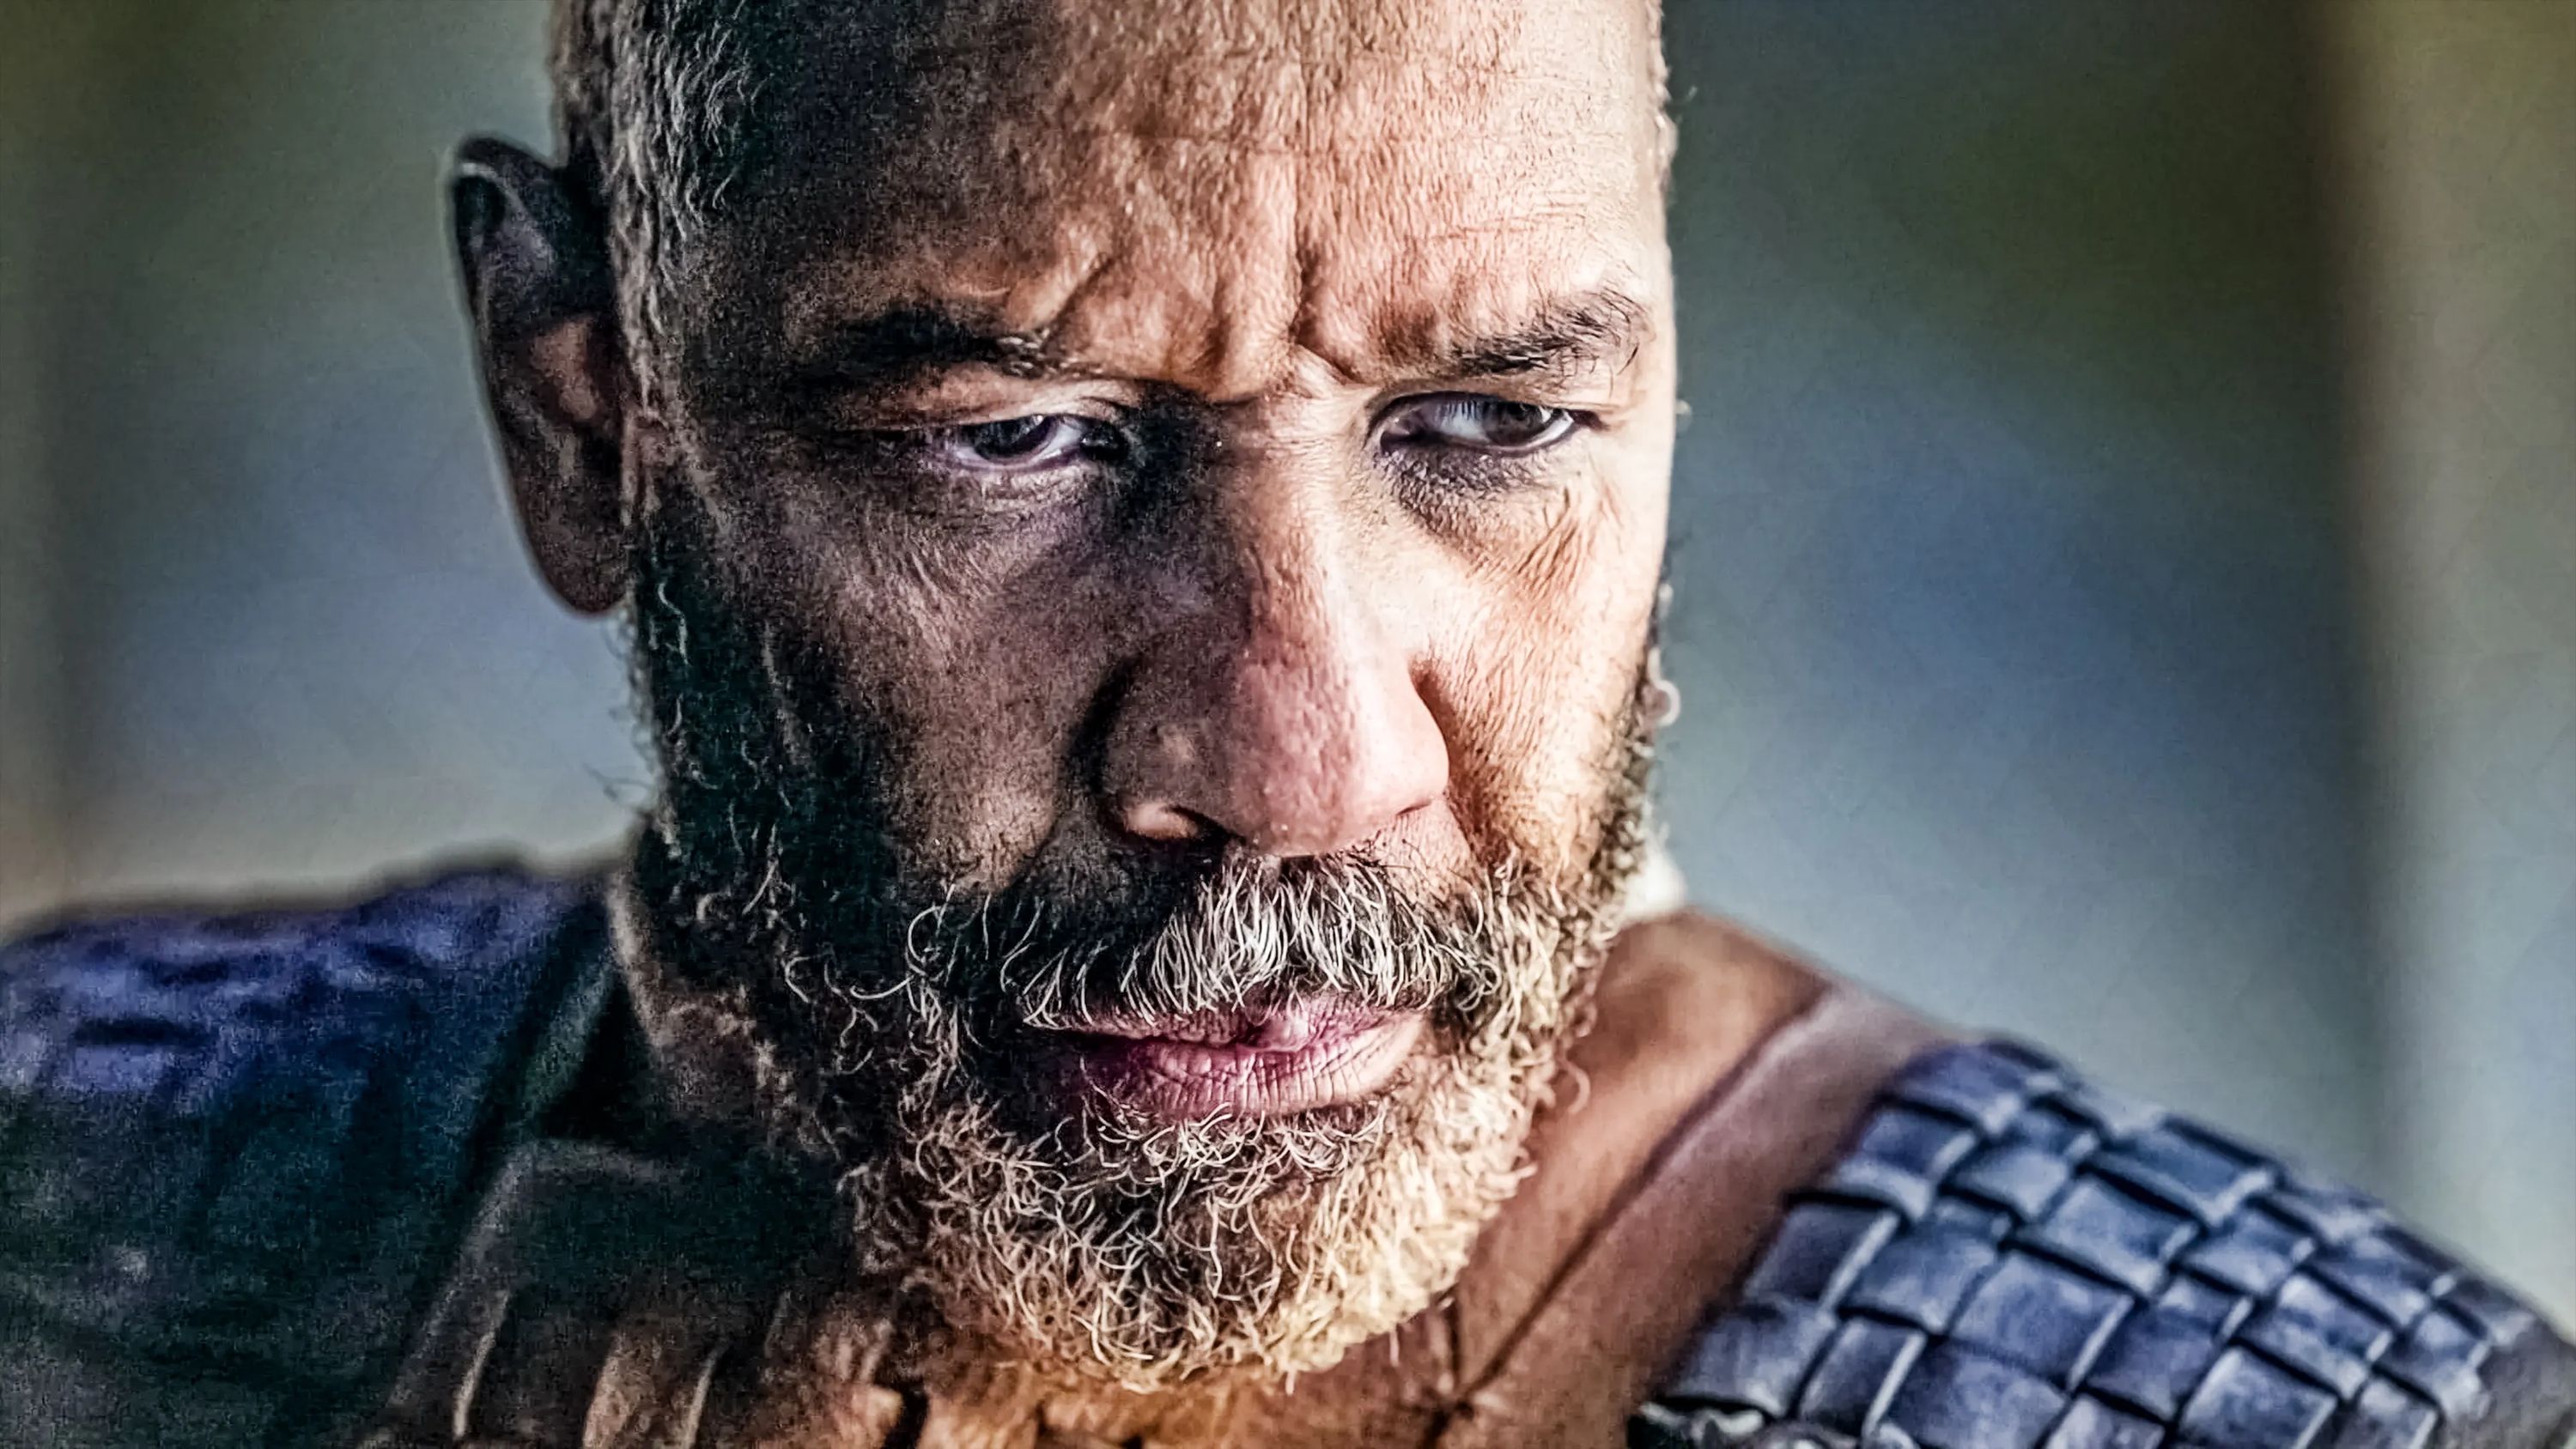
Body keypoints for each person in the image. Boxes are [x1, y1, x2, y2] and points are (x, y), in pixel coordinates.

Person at [2, 1, 2568, 1445]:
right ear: (583, 417)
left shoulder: (2295, 1416)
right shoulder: (53, 1186)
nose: (1305, 759)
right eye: (1019, 439)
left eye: (1494, 422)